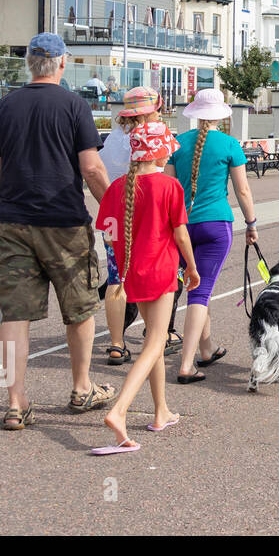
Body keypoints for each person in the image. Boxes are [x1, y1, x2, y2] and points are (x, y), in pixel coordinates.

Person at [0, 33, 117, 430]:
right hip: (65, 223)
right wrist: (114, 215)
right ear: (62, 64)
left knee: (14, 314)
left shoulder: (4, 107)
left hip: (14, 223)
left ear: (28, 64)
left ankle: (16, 402)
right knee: (79, 307)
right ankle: (80, 387)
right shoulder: (74, 106)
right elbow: (91, 169)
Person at [94, 123, 200, 452]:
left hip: (132, 272)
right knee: (156, 340)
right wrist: (192, 268)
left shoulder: (117, 188)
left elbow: (109, 235)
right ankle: (120, 410)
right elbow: (181, 234)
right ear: (158, 151)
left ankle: (160, 411)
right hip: (162, 267)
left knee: (151, 341)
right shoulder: (169, 186)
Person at [166, 88, 258, 384]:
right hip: (215, 224)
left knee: (194, 287)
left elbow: (167, 188)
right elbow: (243, 190)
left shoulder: (178, 143)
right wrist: (251, 223)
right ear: (221, 115)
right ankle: (186, 365)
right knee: (200, 292)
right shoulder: (230, 144)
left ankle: (206, 349)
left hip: (182, 226)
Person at [99, 87, 184, 364]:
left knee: (116, 277)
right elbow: (164, 172)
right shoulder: (154, 134)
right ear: (154, 108)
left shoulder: (114, 138)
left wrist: (110, 204)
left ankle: (116, 343)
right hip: (151, 218)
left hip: (117, 215)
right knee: (161, 277)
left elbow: (101, 173)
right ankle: (159, 332)